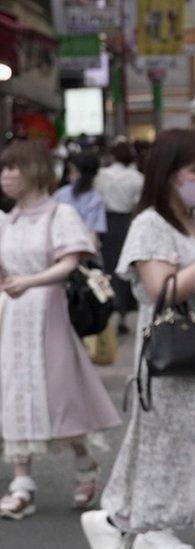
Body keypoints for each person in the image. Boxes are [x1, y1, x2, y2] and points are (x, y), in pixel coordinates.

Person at [80, 129, 195, 549]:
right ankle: (124, 523)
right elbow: (161, 289)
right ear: (168, 172)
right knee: (186, 464)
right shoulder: (148, 224)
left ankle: (122, 524)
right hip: (170, 368)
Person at [0, 140, 121, 519]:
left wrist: (30, 282)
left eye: (13, 168)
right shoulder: (9, 219)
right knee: (14, 391)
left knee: (59, 394)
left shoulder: (60, 213)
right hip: (11, 315)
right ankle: (22, 483)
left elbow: (71, 262)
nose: (5, 176)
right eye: (4, 169)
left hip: (48, 311)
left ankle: (85, 463)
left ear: (35, 171)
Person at [94, 140, 144, 333]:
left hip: (106, 223)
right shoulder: (137, 178)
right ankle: (122, 312)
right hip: (126, 223)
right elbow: (137, 204)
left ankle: (108, 308)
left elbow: (98, 200)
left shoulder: (101, 176)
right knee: (124, 266)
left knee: (108, 266)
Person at [54, 152, 108, 245]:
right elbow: (93, 231)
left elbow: (93, 232)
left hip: (67, 243)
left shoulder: (61, 194)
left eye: (72, 171)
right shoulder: (95, 199)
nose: (69, 176)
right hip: (75, 244)